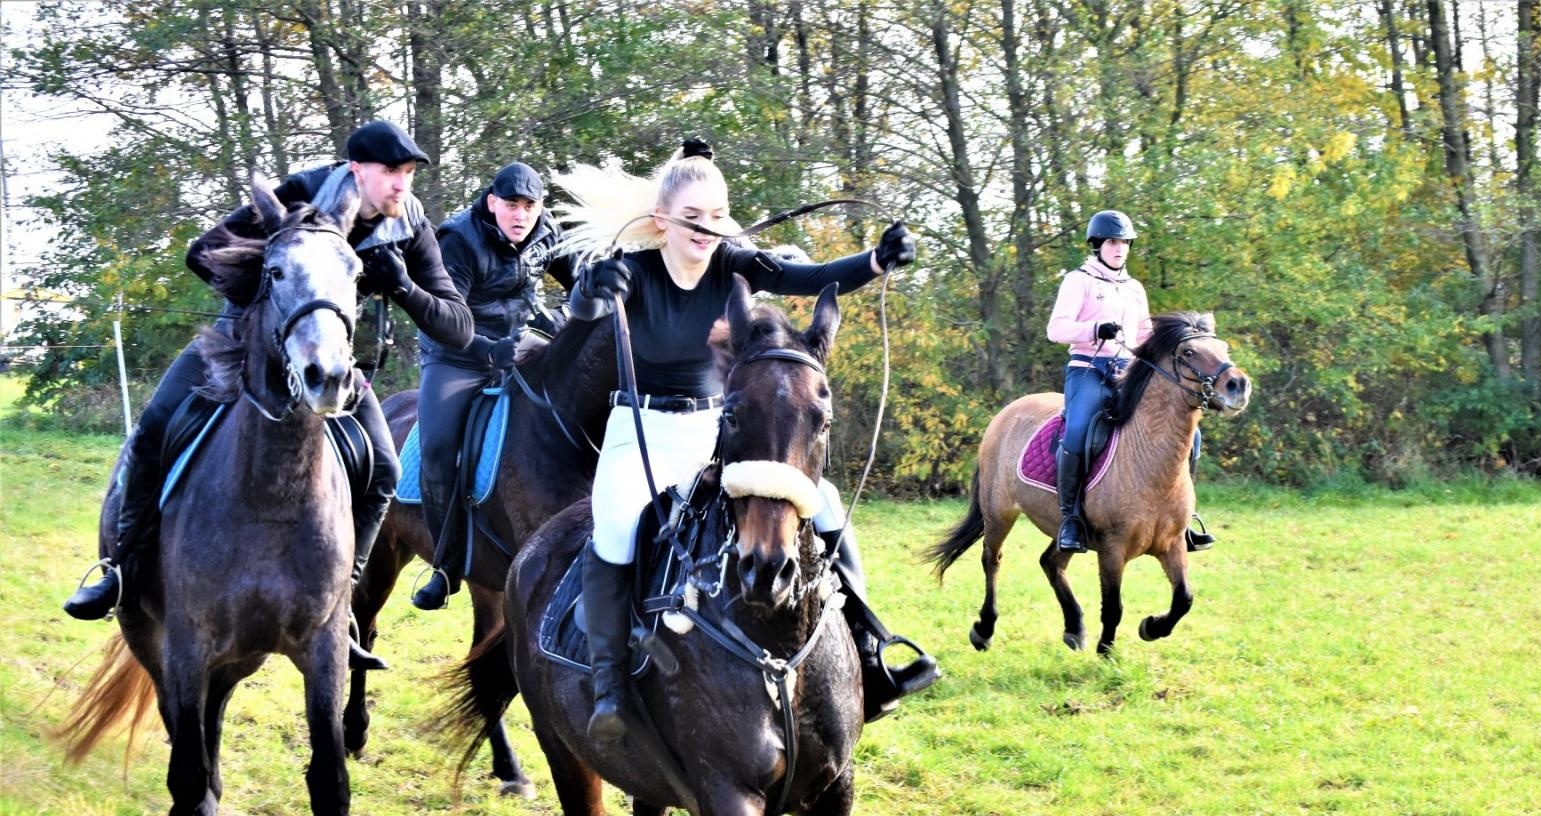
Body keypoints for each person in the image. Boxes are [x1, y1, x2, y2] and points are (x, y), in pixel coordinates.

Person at [554, 138, 939, 744]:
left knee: (827, 504)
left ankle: (870, 652)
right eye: (693, 217)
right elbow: (583, 313)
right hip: (642, 429)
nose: (707, 229)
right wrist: (587, 290)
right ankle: (610, 687)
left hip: (718, 428)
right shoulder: (638, 274)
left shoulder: (736, 262)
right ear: (662, 221)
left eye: (717, 215)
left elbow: (808, 277)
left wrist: (876, 260)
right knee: (618, 526)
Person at [64, 120, 473, 669]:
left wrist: (400, 285)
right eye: (391, 172)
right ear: (357, 169)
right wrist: (280, 295)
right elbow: (202, 253)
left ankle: (341, 604)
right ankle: (118, 570)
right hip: (245, 345)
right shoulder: (299, 193)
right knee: (154, 428)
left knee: (384, 470)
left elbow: (458, 326)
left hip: (334, 363)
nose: (402, 184)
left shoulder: (409, 226)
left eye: (408, 174)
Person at [411, 161, 581, 610]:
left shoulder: (547, 232)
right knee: (438, 449)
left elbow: (580, 279)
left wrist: (581, 303)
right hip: (456, 354)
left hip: (519, 342)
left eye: (529, 205)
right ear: (492, 203)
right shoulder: (458, 240)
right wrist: (488, 351)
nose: (521, 214)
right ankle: (445, 566)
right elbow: (446, 320)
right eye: (511, 205)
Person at [1045, 209, 1215, 554]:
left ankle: (1183, 517)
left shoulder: (1134, 288)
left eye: (1124, 242)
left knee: (1191, 433)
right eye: (1112, 242)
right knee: (1079, 429)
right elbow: (1055, 329)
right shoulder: (1078, 280)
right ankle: (1071, 519)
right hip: (1087, 368)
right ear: (1096, 245)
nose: (1119, 248)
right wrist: (1093, 330)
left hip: (1128, 371)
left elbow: (1143, 335)